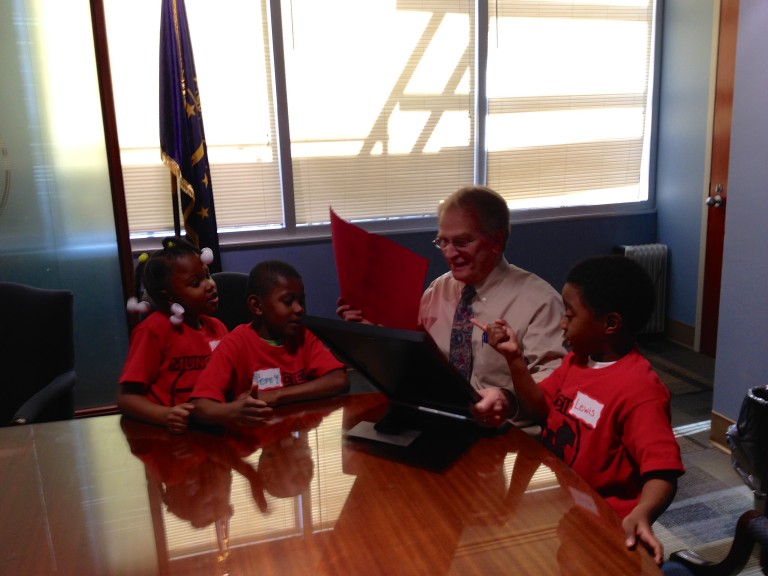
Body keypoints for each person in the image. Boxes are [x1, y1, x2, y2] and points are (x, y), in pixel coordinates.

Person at [472, 254, 685, 565]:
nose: (562, 324)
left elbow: (662, 472)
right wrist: (515, 359)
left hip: (610, 526)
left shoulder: (641, 390)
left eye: (570, 316)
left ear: (610, 324)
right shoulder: (577, 361)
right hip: (572, 510)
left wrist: (643, 512)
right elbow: (538, 408)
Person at [338, 185, 566, 420]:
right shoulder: (438, 290)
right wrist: (373, 338)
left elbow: (552, 392)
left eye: (462, 241)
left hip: (507, 430)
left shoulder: (541, 302)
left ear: (496, 240)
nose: (449, 253)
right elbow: (420, 365)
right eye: (443, 242)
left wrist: (506, 400)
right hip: (439, 419)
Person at [191, 260, 349, 428]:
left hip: (299, 433)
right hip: (257, 437)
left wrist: (277, 395)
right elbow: (199, 407)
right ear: (257, 306)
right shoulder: (235, 343)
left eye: (301, 301)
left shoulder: (303, 334)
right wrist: (235, 410)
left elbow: (339, 379)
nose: (299, 309)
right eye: (288, 301)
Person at [118, 236, 228, 434]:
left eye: (207, 275)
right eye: (196, 283)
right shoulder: (153, 330)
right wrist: (164, 415)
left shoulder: (218, 328)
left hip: (213, 434)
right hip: (170, 439)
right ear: (168, 296)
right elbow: (126, 398)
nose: (210, 285)